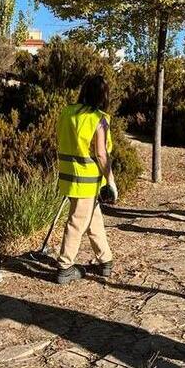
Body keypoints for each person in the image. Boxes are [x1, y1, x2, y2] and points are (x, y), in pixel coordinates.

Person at [55, 75, 117, 284]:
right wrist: (111, 181)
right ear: (103, 95)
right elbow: (101, 154)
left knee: (93, 219)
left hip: (68, 174)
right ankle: (65, 267)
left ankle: (105, 260)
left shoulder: (66, 113)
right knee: (77, 222)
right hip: (88, 178)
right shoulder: (98, 118)